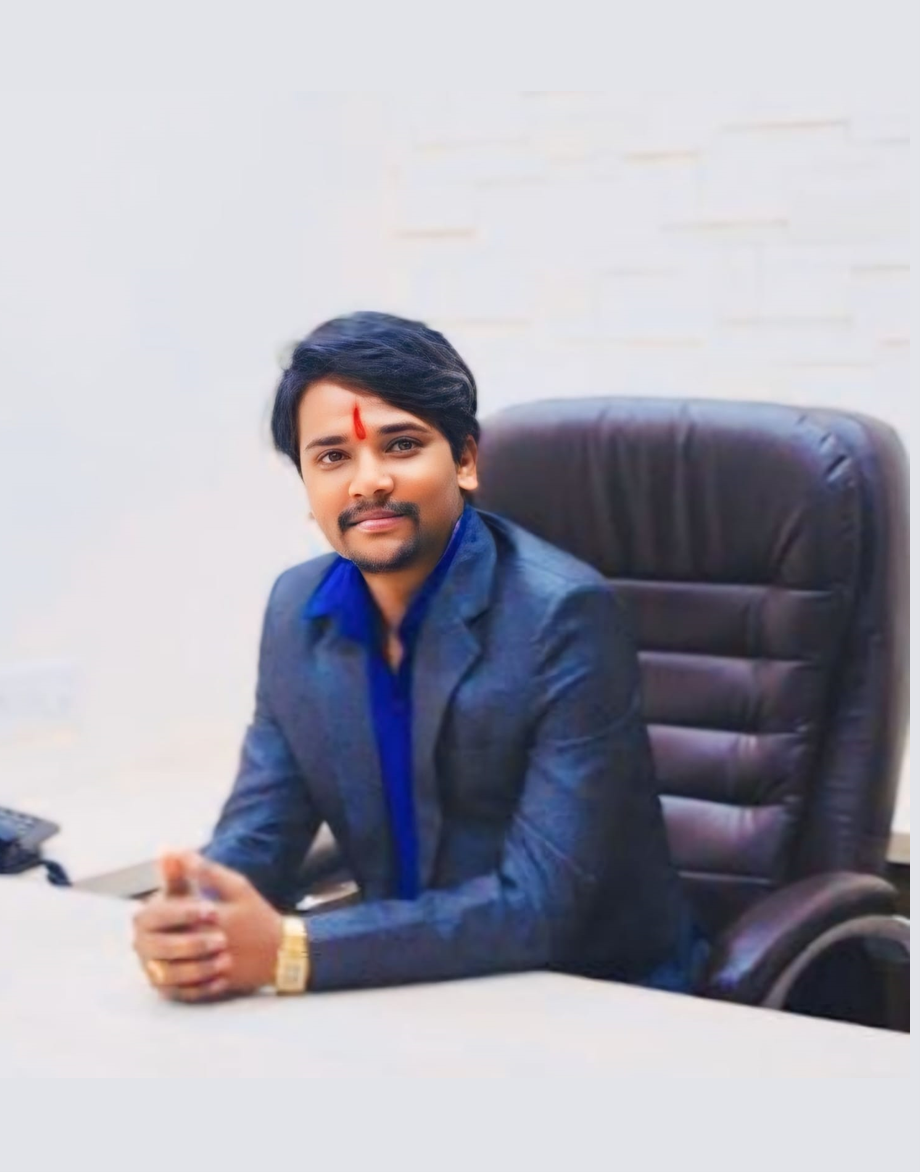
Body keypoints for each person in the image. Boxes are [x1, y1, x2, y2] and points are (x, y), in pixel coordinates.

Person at [132, 310, 704, 1002]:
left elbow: (541, 908)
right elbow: (260, 834)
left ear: (465, 461)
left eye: (400, 446)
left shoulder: (564, 616)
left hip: (590, 998)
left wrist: (293, 952)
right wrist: (197, 921)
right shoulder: (297, 611)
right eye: (333, 457)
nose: (367, 482)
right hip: (403, 986)